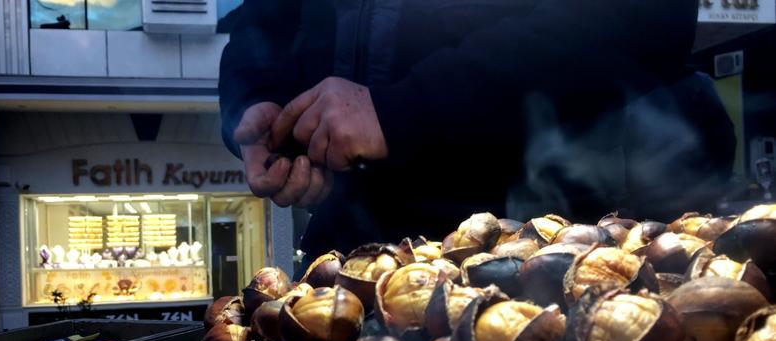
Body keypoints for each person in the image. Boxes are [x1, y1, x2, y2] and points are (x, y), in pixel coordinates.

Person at [220, 0, 735, 268]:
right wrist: (256, 98)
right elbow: (264, 21)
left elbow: (641, 19)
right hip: (356, 252)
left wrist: (402, 111)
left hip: (550, 256)